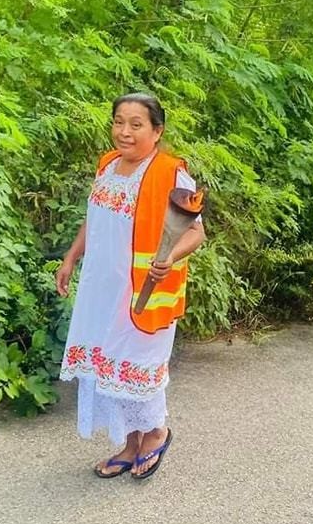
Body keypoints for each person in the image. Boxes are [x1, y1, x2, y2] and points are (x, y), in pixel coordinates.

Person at [56, 93, 206, 479]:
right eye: (119, 122)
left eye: (136, 124)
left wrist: (169, 257)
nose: (125, 132)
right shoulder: (106, 166)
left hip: (145, 291)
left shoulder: (172, 173)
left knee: (138, 363)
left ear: (157, 131)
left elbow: (196, 231)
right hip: (101, 289)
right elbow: (95, 219)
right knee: (110, 364)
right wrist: (71, 258)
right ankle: (129, 442)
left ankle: (155, 433)